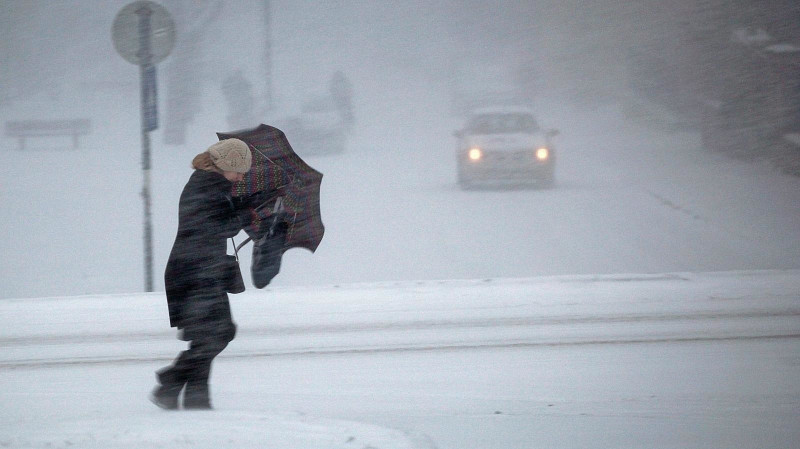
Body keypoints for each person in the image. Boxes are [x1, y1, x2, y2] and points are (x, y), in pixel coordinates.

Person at [151, 138, 255, 410]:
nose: (242, 175)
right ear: (227, 165)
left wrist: (243, 207)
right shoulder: (206, 186)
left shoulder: (208, 185)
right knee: (219, 333)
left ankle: (196, 402)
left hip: (196, 269)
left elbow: (219, 221)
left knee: (206, 337)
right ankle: (170, 380)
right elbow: (221, 226)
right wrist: (245, 213)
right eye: (240, 170)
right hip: (195, 271)